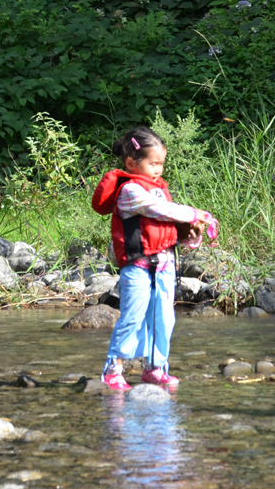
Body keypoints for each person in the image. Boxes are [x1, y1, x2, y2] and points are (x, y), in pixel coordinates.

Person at [91, 126, 218, 391]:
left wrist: (191, 233)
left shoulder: (159, 189)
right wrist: (196, 213)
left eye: (162, 163)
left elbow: (170, 229)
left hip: (165, 266)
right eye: (154, 163)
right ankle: (113, 370)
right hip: (137, 268)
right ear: (131, 163)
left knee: (164, 318)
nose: (159, 169)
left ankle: (155, 368)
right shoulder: (130, 192)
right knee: (133, 318)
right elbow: (158, 210)